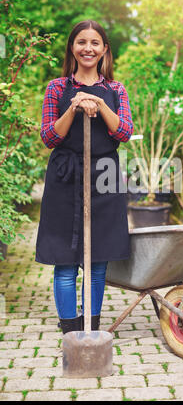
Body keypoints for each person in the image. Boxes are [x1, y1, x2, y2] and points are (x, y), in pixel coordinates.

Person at [35, 20, 133, 334]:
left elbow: (124, 132)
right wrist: (74, 108)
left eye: (94, 43)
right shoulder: (57, 88)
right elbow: (50, 137)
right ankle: (70, 330)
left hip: (104, 177)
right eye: (81, 42)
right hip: (65, 177)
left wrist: (101, 104)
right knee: (64, 261)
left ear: (104, 49)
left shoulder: (116, 90)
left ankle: (91, 326)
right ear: (72, 48)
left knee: (97, 262)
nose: (87, 48)